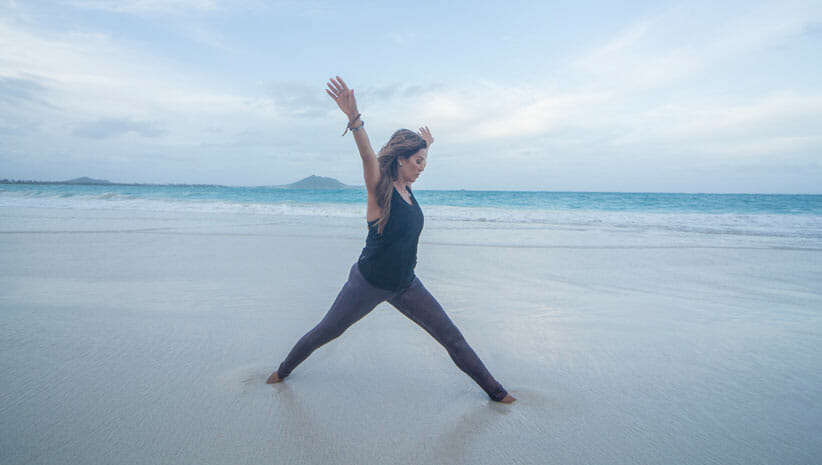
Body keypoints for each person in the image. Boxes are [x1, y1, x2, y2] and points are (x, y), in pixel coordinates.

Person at [266, 76, 515, 404]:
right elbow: (369, 157)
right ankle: (281, 372)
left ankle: (499, 395)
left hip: (406, 284)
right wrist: (354, 119)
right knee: (326, 332)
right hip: (367, 283)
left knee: (452, 338)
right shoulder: (380, 190)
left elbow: (415, 162)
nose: (422, 168)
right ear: (401, 159)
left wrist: (426, 146)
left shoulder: (407, 189)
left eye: (423, 162)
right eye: (417, 162)